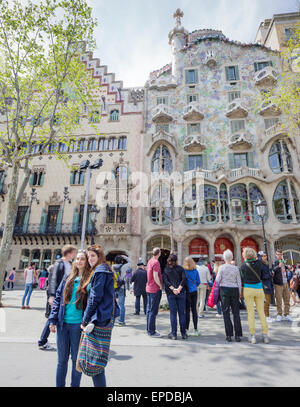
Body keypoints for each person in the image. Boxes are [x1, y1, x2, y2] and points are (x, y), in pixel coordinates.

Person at [49, 250, 92, 387]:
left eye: (82, 259)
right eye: (77, 259)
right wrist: (52, 320)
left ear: (86, 262)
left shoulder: (89, 279)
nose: (79, 261)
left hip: (78, 326)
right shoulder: (68, 277)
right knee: (61, 361)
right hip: (62, 324)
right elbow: (57, 299)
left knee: (76, 360)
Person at [80, 245, 120, 387]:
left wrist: (85, 319)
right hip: (104, 317)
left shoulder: (100, 271)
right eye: (89, 256)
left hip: (100, 319)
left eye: (93, 256)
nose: (90, 259)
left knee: (95, 362)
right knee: (97, 360)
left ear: (99, 257)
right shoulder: (103, 270)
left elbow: (95, 298)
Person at [38, 244, 76, 351]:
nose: (74, 254)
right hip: (57, 295)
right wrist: (52, 295)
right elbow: (53, 279)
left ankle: (45, 340)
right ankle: (43, 341)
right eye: (73, 252)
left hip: (65, 294)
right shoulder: (58, 263)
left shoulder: (69, 264)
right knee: (52, 317)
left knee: (55, 316)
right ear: (69, 253)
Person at [240, 247, 269, 344]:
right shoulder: (260, 263)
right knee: (261, 312)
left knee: (250, 313)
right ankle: (265, 335)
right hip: (259, 289)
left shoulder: (243, 266)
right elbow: (264, 275)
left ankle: (252, 336)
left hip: (248, 289)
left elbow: (242, 279)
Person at [216, 250, 242, 342]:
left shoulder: (221, 268)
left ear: (224, 258)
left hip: (224, 290)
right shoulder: (235, 268)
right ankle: (238, 335)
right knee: (236, 313)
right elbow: (239, 282)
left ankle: (229, 335)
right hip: (234, 289)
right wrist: (240, 293)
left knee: (226, 313)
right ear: (231, 258)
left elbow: (218, 280)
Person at [163, 254, 187, 340]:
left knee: (173, 314)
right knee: (182, 313)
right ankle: (183, 333)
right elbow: (184, 279)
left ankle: (174, 334)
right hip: (181, 293)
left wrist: (173, 289)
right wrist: (179, 289)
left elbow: (166, 281)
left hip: (171, 293)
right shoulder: (180, 268)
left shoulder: (166, 269)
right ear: (176, 260)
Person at [271, 250, 293, 322]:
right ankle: (279, 314)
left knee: (287, 299)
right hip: (278, 284)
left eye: (281, 254)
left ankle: (287, 314)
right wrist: (278, 266)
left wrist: (288, 267)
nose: (280, 255)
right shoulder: (275, 263)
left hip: (286, 283)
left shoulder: (283, 262)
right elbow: (272, 271)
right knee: (279, 300)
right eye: (278, 254)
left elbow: (285, 270)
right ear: (276, 255)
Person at [146, 247, 163, 337]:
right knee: (153, 311)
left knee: (149, 310)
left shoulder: (150, 261)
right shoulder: (156, 262)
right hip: (154, 289)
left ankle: (149, 329)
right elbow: (155, 276)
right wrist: (160, 285)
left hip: (149, 288)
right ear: (159, 253)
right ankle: (152, 331)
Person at [183, 256, 200, 337]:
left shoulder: (184, 271)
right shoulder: (195, 271)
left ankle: (186, 329)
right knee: (194, 310)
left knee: (187, 311)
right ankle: (196, 329)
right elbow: (198, 282)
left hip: (187, 292)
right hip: (194, 292)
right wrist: (194, 286)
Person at [258, 251, 274, 323]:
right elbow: (260, 275)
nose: (265, 257)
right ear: (260, 257)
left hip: (268, 283)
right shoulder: (260, 264)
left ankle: (267, 315)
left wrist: (270, 273)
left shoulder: (266, 264)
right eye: (263, 256)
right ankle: (266, 316)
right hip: (264, 284)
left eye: (265, 255)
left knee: (268, 300)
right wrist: (269, 275)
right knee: (266, 301)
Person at [112, 255, 127, 326]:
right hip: (121, 287)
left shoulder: (111, 267)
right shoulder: (124, 266)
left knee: (112, 304)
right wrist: (125, 257)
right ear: (122, 260)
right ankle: (121, 321)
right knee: (121, 305)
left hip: (113, 287)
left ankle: (112, 321)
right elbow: (131, 262)